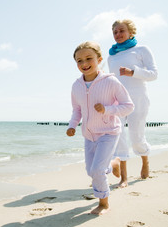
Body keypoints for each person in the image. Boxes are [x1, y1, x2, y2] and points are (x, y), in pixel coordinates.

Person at [67, 41, 134, 215]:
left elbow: (128, 106)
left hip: (108, 132)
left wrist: (107, 110)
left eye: (89, 58)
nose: (84, 64)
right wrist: (72, 125)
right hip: (89, 135)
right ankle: (115, 163)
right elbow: (77, 109)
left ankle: (104, 203)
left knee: (97, 170)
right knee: (91, 171)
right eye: (79, 61)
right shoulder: (76, 86)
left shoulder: (111, 82)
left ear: (99, 59)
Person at [108, 19, 158, 187]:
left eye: (121, 31)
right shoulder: (111, 55)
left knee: (136, 138)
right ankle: (124, 178)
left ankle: (145, 160)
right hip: (117, 100)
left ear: (130, 32)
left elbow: (153, 74)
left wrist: (133, 72)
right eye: (115, 32)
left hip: (138, 98)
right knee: (119, 136)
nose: (118, 34)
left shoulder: (142, 50)